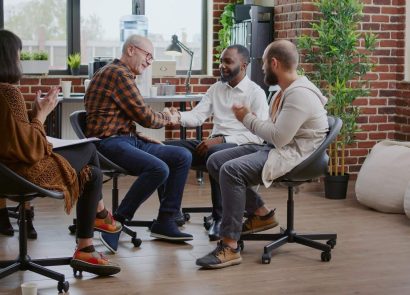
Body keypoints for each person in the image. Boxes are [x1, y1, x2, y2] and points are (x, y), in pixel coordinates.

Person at [196, 40, 329, 269]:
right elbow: (273, 133)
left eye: (264, 63)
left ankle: (230, 246)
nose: (262, 68)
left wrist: (246, 117)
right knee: (216, 160)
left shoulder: (299, 94)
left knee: (231, 170)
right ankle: (261, 213)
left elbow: (278, 137)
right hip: (276, 147)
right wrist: (249, 121)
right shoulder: (285, 91)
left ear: (274, 63)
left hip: (293, 155)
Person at [0, 29, 121, 276]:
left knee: (93, 174)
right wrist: (42, 115)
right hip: (23, 172)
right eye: (19, 56)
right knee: (88, 147)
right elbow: (32, 149)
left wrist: (33, 114)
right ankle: (99, 217)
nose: (20, 61)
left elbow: (13, 138)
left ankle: (87, 247)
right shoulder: (8, 93)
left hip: (5, 174)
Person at [84, 34, 193, 252]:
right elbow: (146, 117)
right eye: (148, 55)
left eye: (152, 58)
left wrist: (141, 136)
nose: (149, 62)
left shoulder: (119, 74)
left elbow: (128, 119)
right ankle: (116, 224)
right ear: (131, 50)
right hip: (108, 143)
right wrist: (168, 117)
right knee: (159, 168)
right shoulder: (118, 74)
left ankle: (166, 221)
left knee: (182, 156)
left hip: (126, 139)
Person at [166, 44, 269, 241]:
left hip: (242, 146)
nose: (222, 66)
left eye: (228, 62)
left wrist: (221, 140)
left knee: (216, 154)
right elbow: (197, 116)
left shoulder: (256, 93)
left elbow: (258, 136)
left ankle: (220, 217)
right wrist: (177, 116)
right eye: (221, 61)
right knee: (167, 149)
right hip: (216, 142)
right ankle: (169, 216)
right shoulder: (216, 88)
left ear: (244, 65)